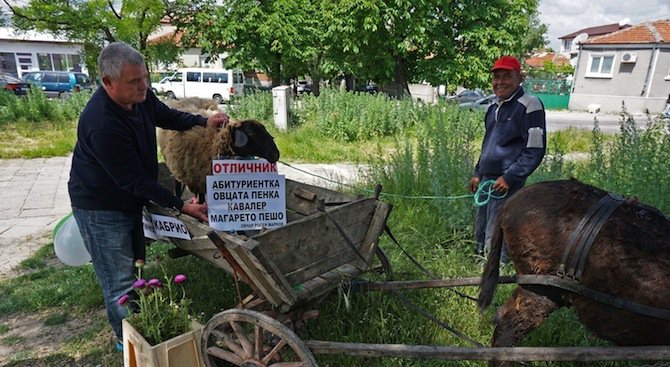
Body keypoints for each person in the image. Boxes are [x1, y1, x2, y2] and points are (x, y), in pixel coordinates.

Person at [68, 42, 229, 349]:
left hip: (127, 197)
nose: (144, 86)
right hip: (101, 206)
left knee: (135, 263)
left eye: (145, 78)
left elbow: (165, 115)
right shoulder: (102, 123)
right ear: (108, 82)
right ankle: (126, 340)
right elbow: (135, 181)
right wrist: (182, 206)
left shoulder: (140, 98)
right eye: (134, 81)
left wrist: (202, 121)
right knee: (119, 280)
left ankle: (140, 327)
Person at [468, 55, 546, 261]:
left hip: (507, 183)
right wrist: (478, 173)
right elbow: (488, 146)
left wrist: (509, 178)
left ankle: (496, 271)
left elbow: (535, 150)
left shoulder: (530, 105)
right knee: (481, 228)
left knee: (497, 232)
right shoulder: (493, 107)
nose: (500, 82)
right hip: (487, 180)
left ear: (519, 78)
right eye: (496, 77)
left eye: (506, 76)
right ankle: (478, 266)